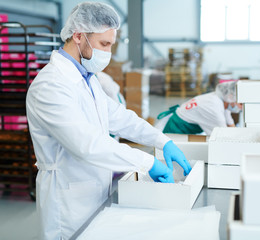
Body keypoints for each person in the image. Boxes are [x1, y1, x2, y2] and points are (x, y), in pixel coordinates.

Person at [26, 2, 191, 240]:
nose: (108, 53)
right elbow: (87, 144)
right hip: (67, 199)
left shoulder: (87, 78)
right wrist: (146, 163)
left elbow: (118, 116)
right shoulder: (50, 85)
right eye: (104, 44)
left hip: (94, 188)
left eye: (111, 45)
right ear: (79, 36)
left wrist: (162, 140)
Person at [156, 81, 242, 135]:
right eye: (241, 103)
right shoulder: (214, 108)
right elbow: (222, 138)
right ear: (231, 97)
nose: (241, 107)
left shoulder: (220, 99)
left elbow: (230, 124)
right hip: (176, 129)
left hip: (177, 122)